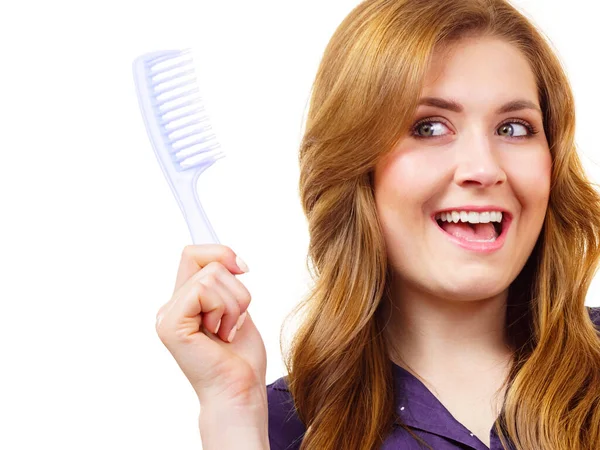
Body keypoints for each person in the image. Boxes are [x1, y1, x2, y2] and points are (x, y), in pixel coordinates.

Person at [155, 0, 600, 449]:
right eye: (429, 127)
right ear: (356, 164)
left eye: (514, 128)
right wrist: (232, 418)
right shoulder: (278, 427)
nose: (483, 169)